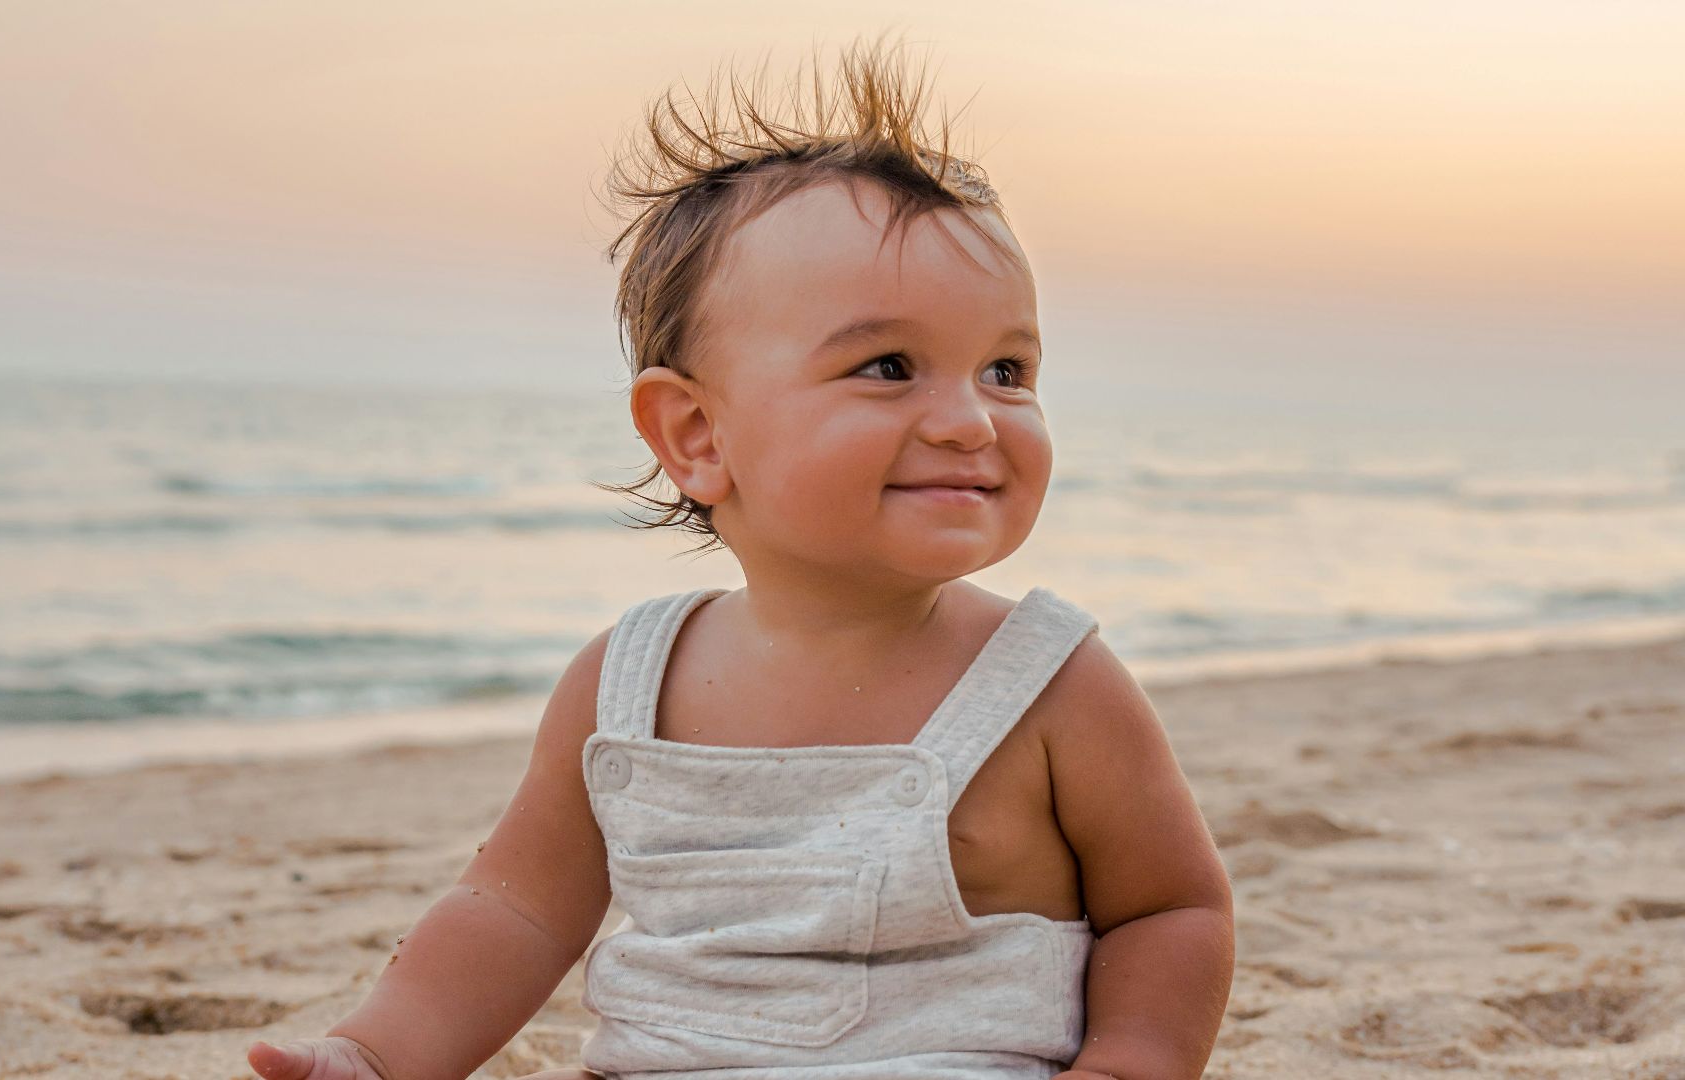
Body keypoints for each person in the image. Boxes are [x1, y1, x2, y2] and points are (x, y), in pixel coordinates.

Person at [246, 33, 1233, 1080]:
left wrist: (1131, 1060)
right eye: (890, 366)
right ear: (696, 437)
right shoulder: (626, 683)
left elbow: (1170, 907)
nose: (970, 420)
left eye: (1006, 368)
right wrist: (374, 1052)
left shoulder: (1049, 680)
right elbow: (516, 910)